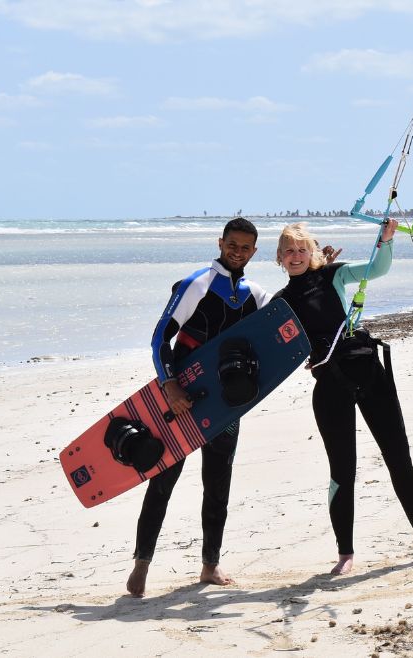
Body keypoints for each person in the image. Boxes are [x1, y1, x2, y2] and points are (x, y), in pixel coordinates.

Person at [274, 219, 413, 575]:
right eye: (288, 251)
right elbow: (271, 344)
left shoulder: (334, 275)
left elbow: (375, 268)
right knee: (342, 470)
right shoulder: (280, 302)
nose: (295, 256)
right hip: (330, 385)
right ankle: (345, 553)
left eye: (301, 249)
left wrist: (385, 240)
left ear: (312, 251)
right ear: (279, 257)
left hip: (369, 372)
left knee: (398, 456)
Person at [127, 216, 271, 597]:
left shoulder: (256, 294)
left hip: (225, 404)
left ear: (254, 252)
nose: (237, 252)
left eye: (245, 248)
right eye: (232, 244)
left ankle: (210, 564)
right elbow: (160, 338)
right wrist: (169, 383)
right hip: (180, 397)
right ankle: (142, 564)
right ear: (220, 242)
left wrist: (319, 268)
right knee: (163, 480)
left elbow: (282, 329)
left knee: (218, 483)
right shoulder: (197, 284)